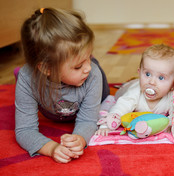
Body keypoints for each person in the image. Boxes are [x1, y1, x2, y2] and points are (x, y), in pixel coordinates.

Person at [15, 8, 110, 163]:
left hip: (95, 91)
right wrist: (51, 148)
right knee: (25, 79)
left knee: (105, 95)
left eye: (89, 56)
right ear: (46, 69)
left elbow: (88, 120)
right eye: (78, 66)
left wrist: (79, 139)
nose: (88, 68)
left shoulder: (92, 74)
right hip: (46, 93)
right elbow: (24, 130)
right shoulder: (27, 78)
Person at [95, 44, 174, 136]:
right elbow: (121, 107)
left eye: (161, 78)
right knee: (120, 93)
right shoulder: (135, 92)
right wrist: (107, 125)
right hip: (128, 88)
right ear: (139, 72)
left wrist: (169, 125)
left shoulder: (172, 96)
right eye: (147, 74)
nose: (152, 82)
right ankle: (131, 81)